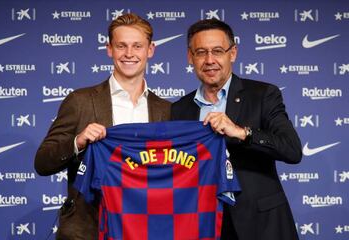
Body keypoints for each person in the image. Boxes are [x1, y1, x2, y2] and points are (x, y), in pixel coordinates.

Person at [35, 13, 171, 240]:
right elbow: (42, 162)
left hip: (146, 228)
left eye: (137, 46)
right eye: (121, 46)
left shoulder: (166, 110)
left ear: (150, 50)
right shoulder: (80, 101)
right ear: (109, 49)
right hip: (88, 229)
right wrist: (77, 141)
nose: (129, 54)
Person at [171, 19, 302, 240]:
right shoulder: (178, 109)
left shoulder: (263, 95)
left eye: (218, 51)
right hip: (203, 224)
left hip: (261, 225)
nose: (210, 60)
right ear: (190, 57)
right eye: (201, 52)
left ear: (233, 53)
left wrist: (242, 133)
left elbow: (292, 150)